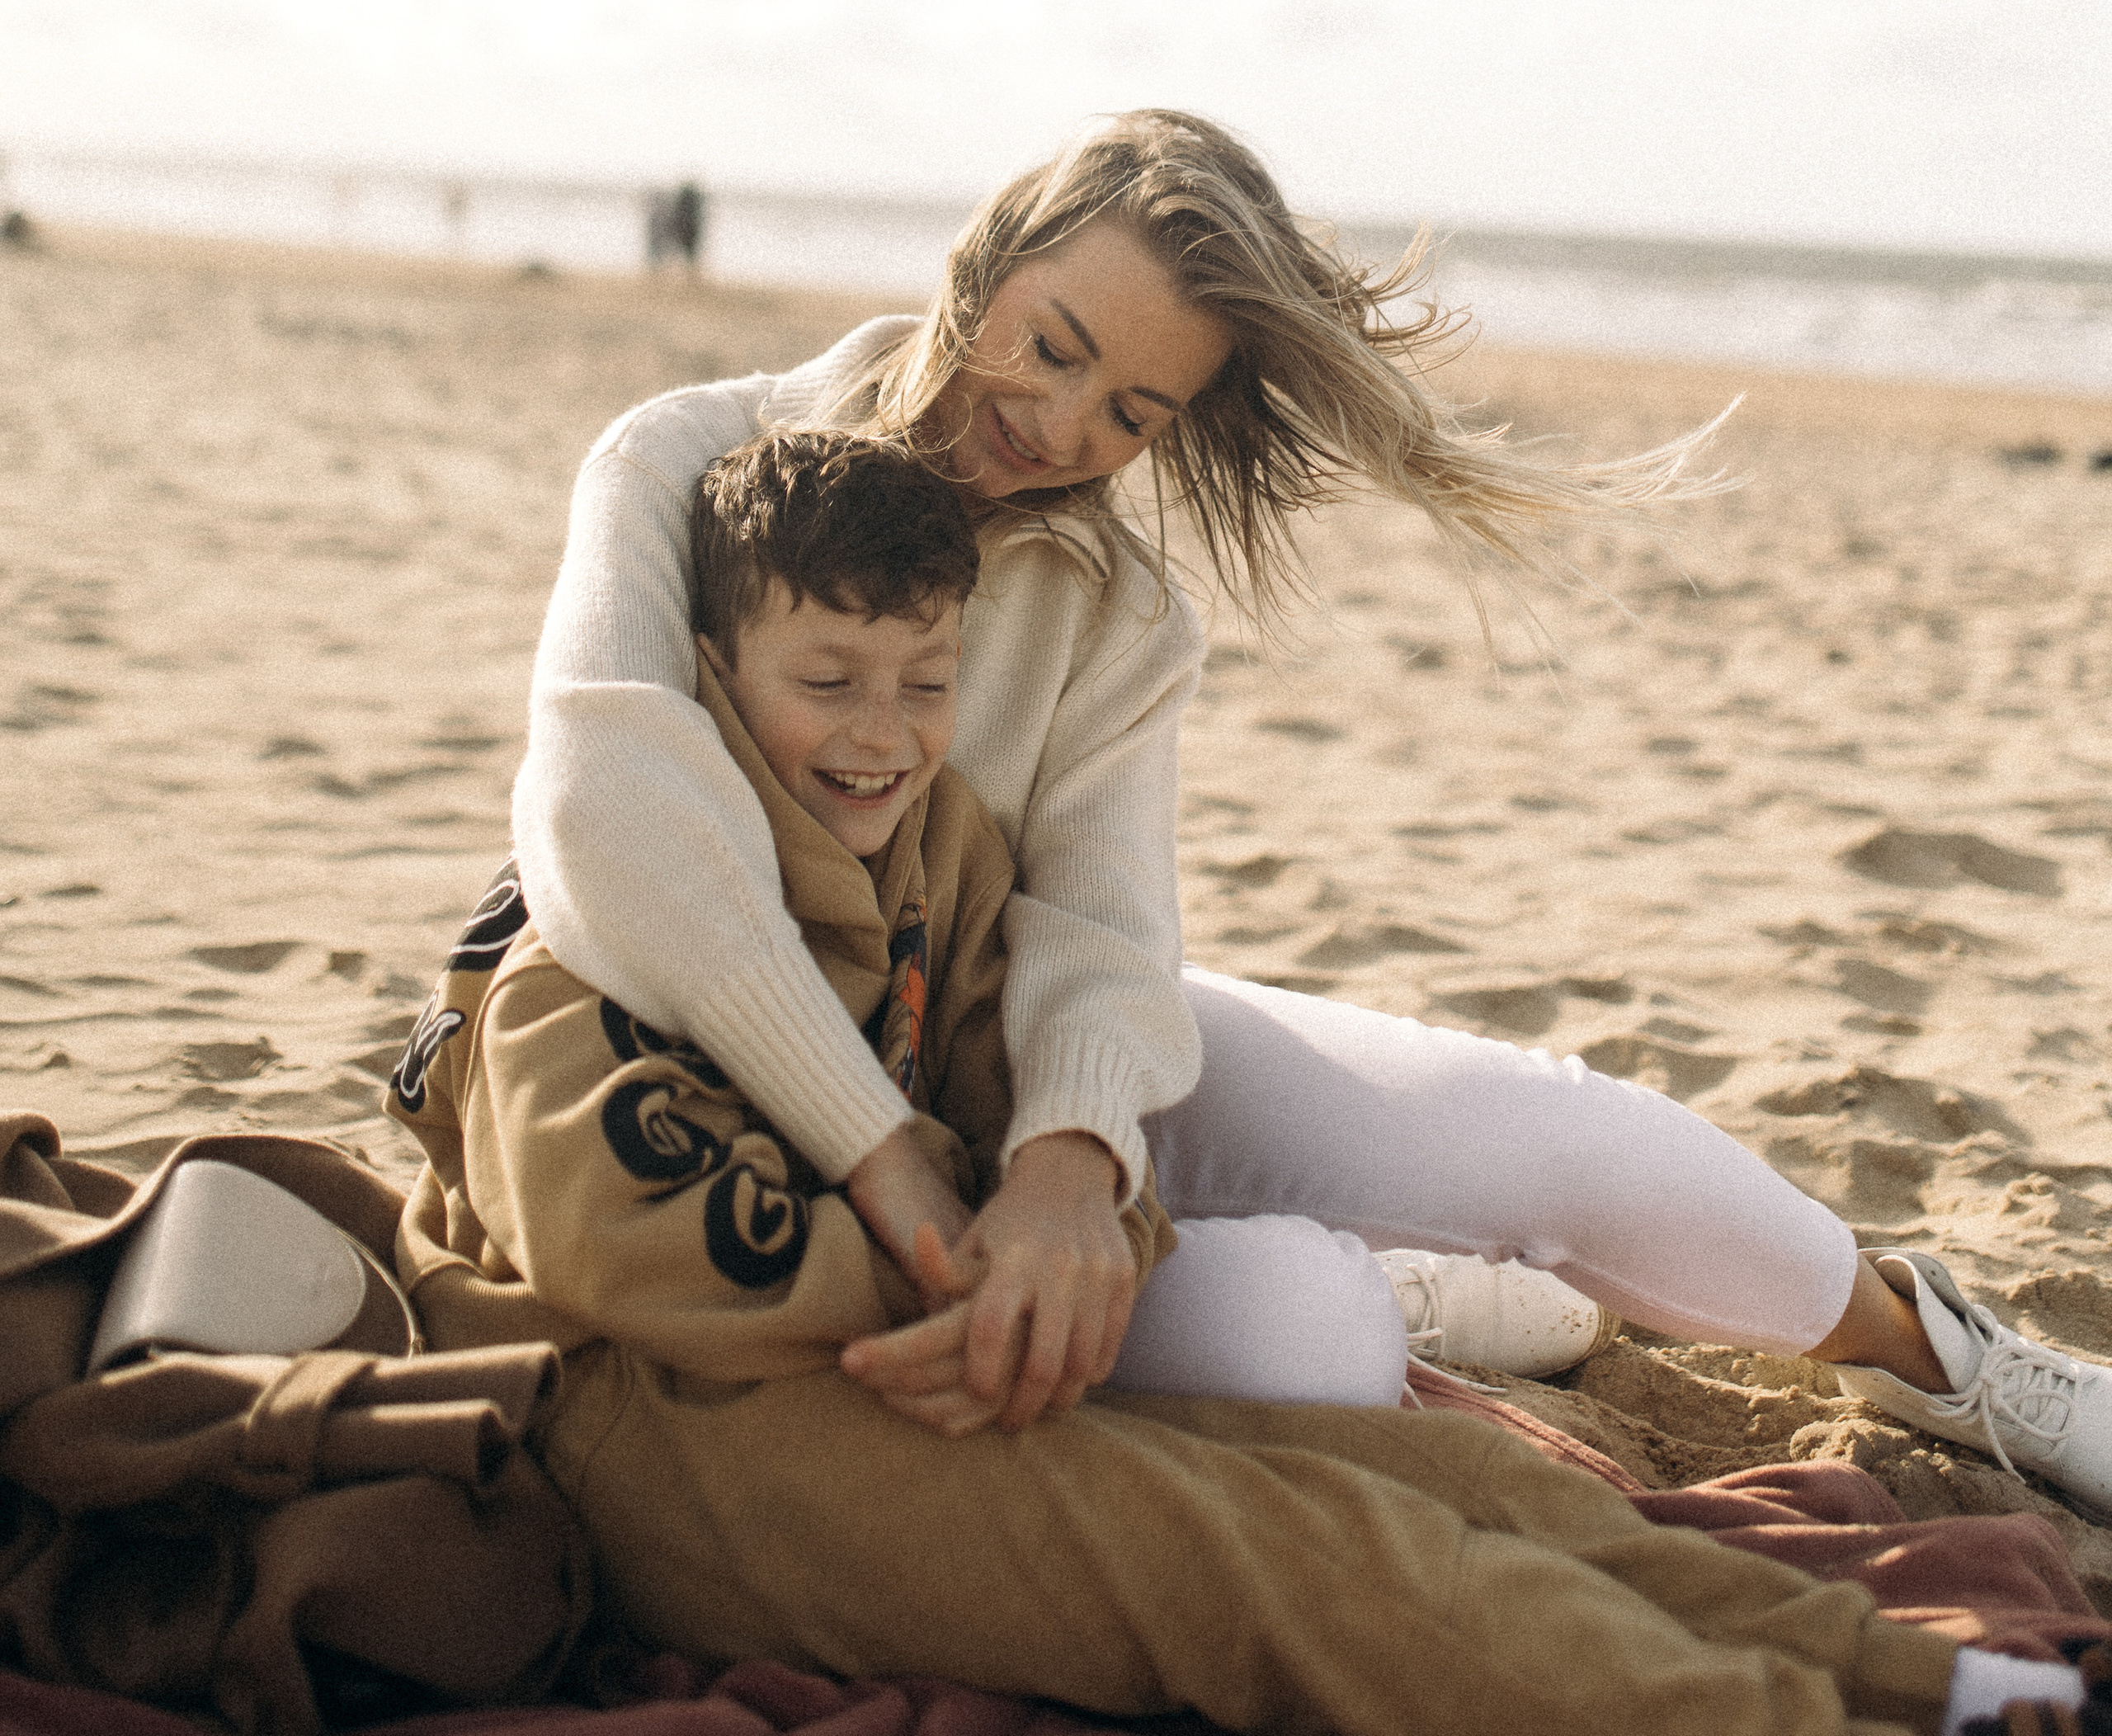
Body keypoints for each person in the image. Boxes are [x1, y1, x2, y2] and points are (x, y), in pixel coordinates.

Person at [511, 108, 2112, 1515]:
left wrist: (1068, 1162)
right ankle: (1435, 1303)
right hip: (756, 1112)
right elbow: (601, 826)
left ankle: (1955, 1362)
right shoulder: (684, 459)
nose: (1066, 429)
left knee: (1567, 1141)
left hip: (999, 1061)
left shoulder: (1118, 618)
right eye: (1054, 344)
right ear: (980, 260)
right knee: (1314, 1342)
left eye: (1135, 411)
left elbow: (1099, 929)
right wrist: (890, 1161)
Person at [398, 428, 2086, 1736]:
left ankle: (1915, 1678)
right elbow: (627, 1244)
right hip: (676, 1431)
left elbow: (1071, 1107)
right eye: (823, 683)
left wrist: (1073, 1245)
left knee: (1451, 1484)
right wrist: (957, 1270)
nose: (879, 733)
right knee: (1280, 1568)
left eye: (922, 686)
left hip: (928, 1359)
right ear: (708, 668)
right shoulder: (593, 944)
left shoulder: (938, 859)